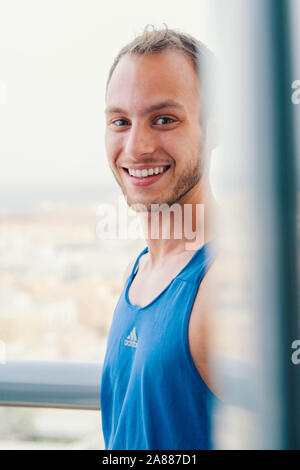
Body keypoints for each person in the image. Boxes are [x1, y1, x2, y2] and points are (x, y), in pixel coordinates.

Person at [100, 25, 220, 450]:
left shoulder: (228, 285)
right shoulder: (143, 271)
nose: (137, 145)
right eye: (121, 121)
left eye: (164, 119)